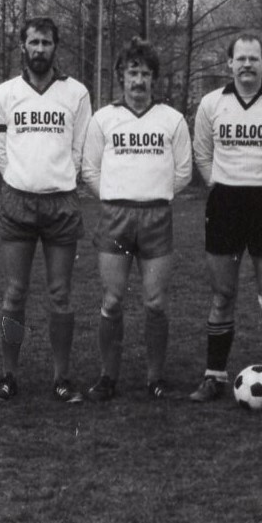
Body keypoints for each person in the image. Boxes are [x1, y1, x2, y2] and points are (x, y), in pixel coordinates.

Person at [189, 32, 262, 403]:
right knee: (222, 295)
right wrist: (219, 184)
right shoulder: (211, 103)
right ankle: (214, 376)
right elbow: (202, 153)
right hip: (224, 203)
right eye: (240, 58)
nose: (246, 65)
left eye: (253, 58)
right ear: (229, 63)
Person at [0, 17, 91, 404]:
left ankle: (62, 378)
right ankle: (8, 375)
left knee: (60, 294)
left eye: (46, 42)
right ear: (22, 46)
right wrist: (19, 177)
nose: (40, 49)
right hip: (18, 201)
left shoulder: (76, 93)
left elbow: (80, 147)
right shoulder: (4, 93)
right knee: (14, 293)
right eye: (34, 42)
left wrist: (58, 178)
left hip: (61, 201)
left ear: (55, 47)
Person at [81, 37, 192, 401]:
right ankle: (107, 377)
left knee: (155, 303)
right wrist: (117, 193)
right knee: (112, 301)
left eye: (145, 73)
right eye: (133, 73)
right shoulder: (103, 119)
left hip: (156, 217)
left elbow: (183, 172)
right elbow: (90, 170)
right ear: (121, 77)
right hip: (115, 217)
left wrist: (153, 193)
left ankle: (155, 377)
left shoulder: (172, 120)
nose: (139, 80)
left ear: (154, 78)